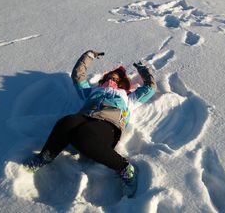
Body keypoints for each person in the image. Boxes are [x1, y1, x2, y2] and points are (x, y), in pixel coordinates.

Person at [23, 50, 156, 198]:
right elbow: (78, 77)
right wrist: (89, 56)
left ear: (122, 82)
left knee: (85, 136)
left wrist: (143, 70)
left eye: (117, 76)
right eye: (111, 74)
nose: (113, 76)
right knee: (66, 122)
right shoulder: (92, 90)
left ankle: (125, 168)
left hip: (108, 125)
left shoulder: (128, 97)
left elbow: (150, 88)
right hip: (85, 116)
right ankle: (45, 156)